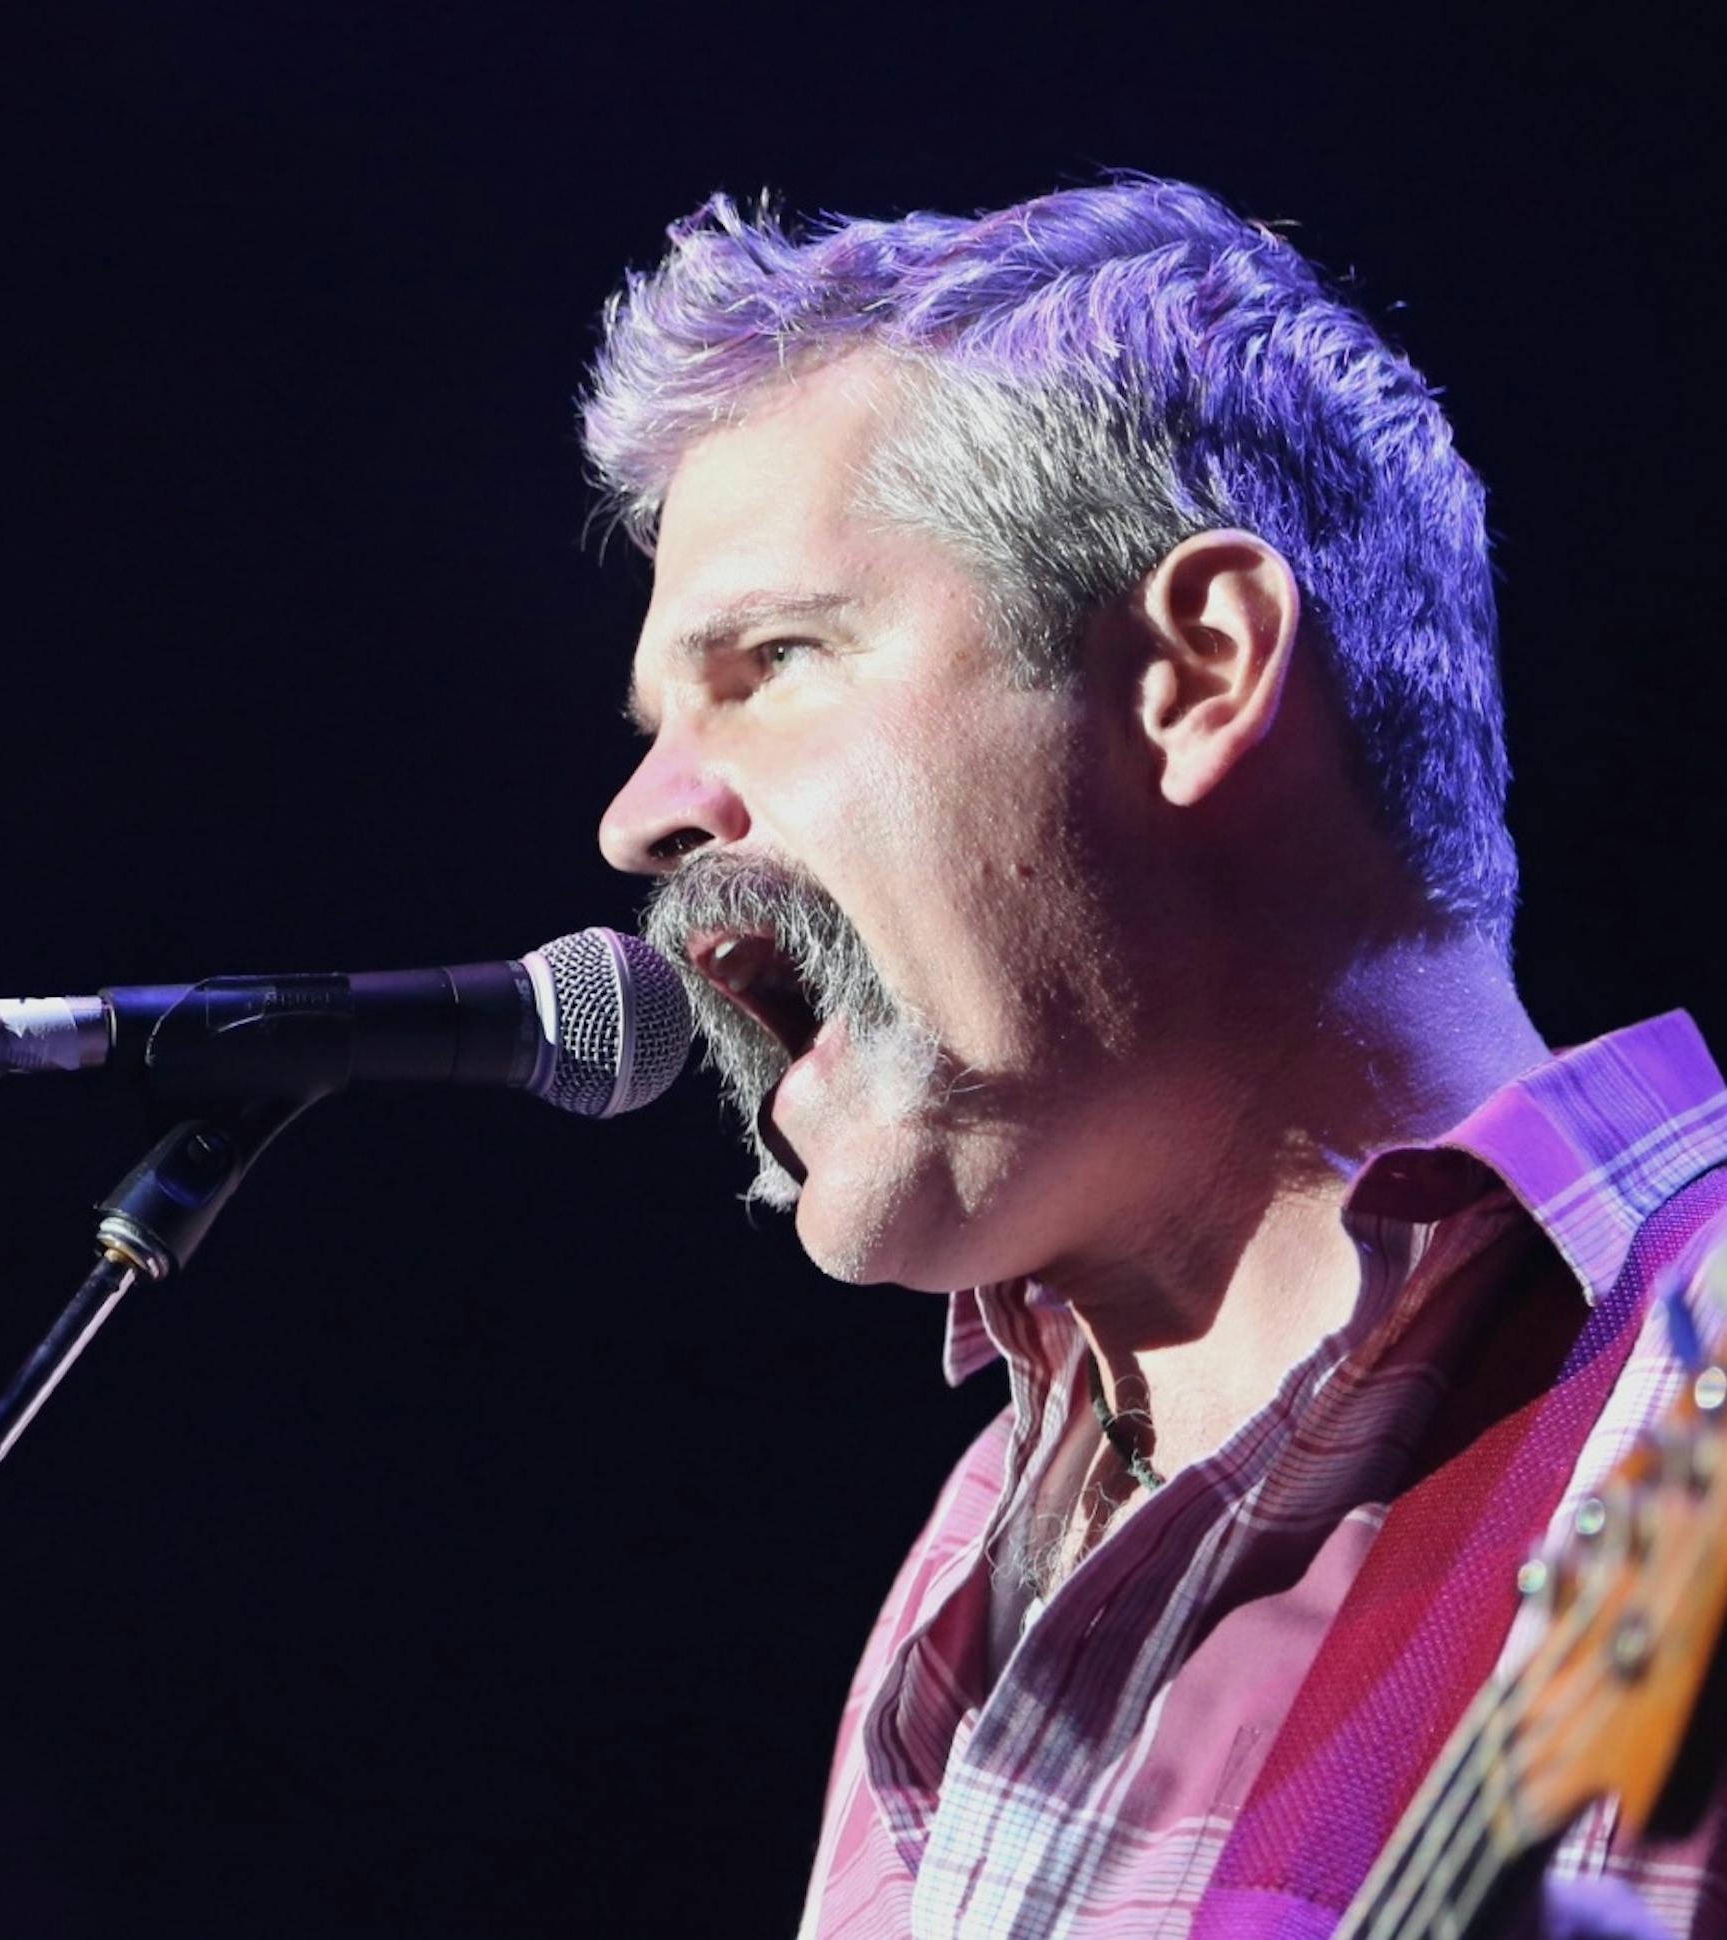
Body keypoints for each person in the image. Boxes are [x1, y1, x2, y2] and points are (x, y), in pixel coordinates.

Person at [581, 177, 1727, 1938]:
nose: (641, 819)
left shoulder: (1692, 1392)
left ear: (1197, 672)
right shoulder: (977, 1551)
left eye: (777, 660)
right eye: (664, 725)